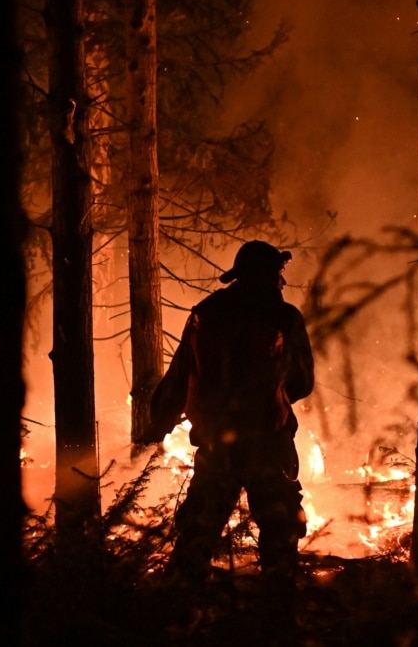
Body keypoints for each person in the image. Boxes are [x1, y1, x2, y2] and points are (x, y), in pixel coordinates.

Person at [139, 240, 315, 588]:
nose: (283, 281)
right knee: (280, 531)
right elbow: (303, 382)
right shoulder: (285, 316)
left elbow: (180, 377)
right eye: (280, 273)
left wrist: (155, 426)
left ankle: (177, 610)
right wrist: (276, 398)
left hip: (217, 443)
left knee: (199, 531)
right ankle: (280, 616)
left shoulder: (206, 312)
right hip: (268, 443)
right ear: (272, 274)